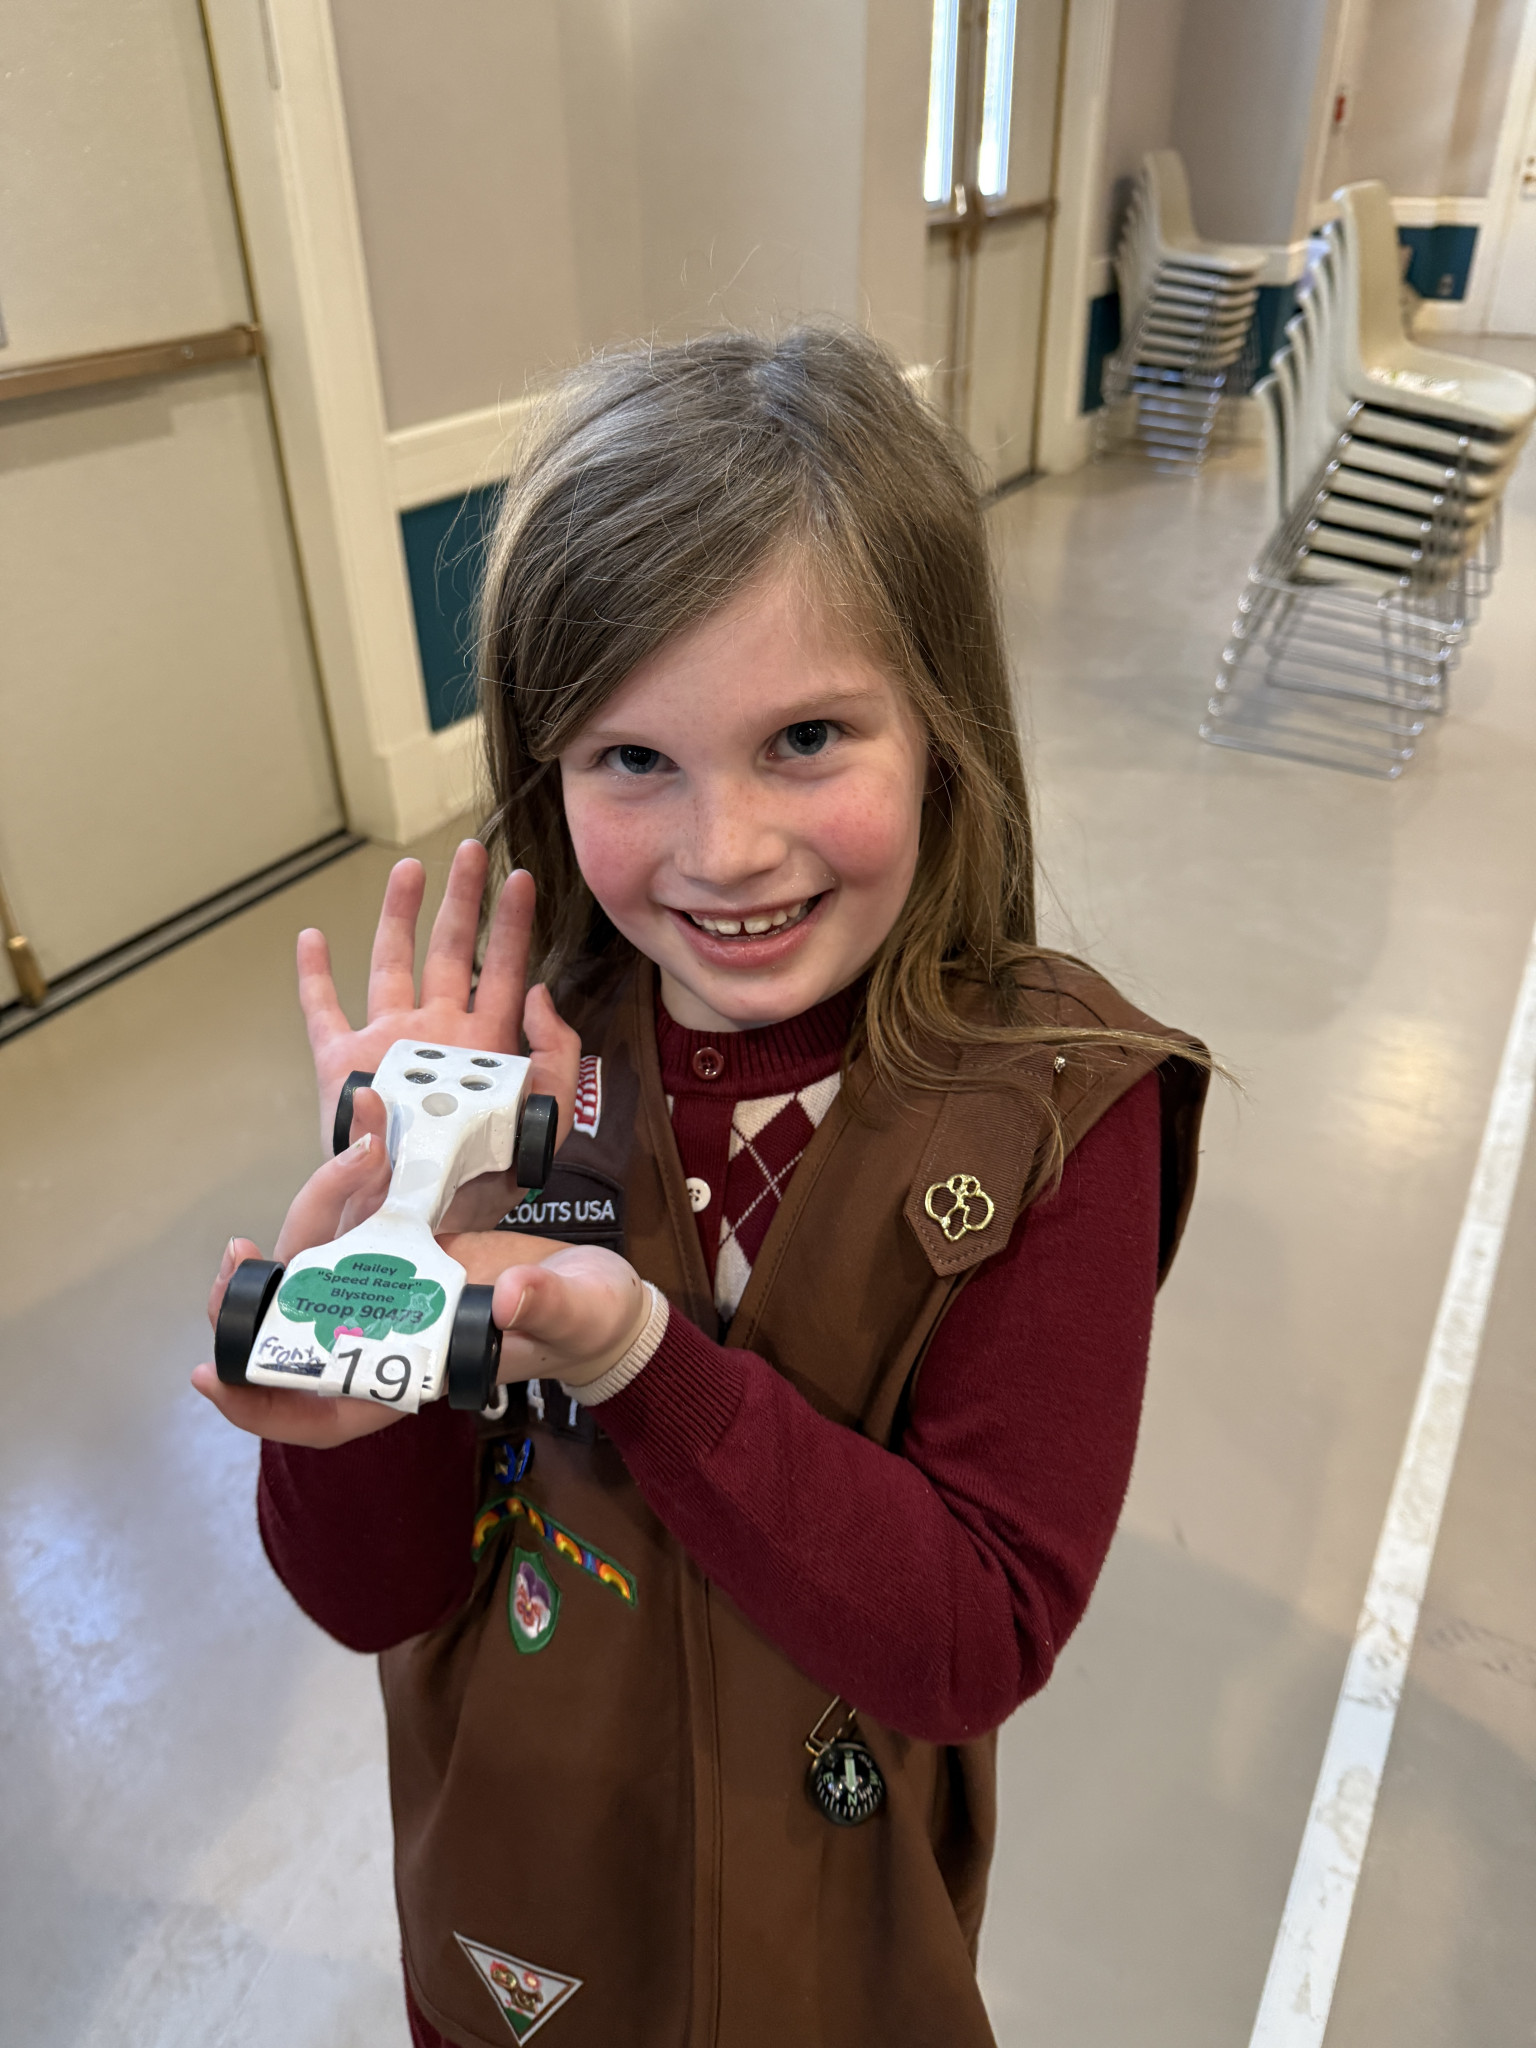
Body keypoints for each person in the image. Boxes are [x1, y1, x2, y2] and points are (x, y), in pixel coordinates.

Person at [194, 328, 1208, 2048]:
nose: (724, 851)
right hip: (514, 1940)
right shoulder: (510, 1070)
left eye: (805, 736)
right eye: (632, 760)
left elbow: (972, 1636)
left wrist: (635, 1358)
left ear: (943, 725)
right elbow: (373, 1594)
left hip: (831, 1965)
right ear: (546, 766)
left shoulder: (1055, 1112)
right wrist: (382, 1267)